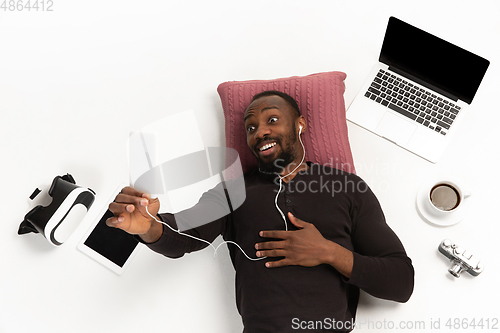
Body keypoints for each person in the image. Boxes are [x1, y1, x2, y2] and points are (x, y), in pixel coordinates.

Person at [106, 90, 414, 332]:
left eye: (272, 120)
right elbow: (183, 236)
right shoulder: (233, 191)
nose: (259, 132)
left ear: (300, 124)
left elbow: (401, 282)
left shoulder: (346, 187)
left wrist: (329, 252)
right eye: (251, 127)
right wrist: (148, 226)